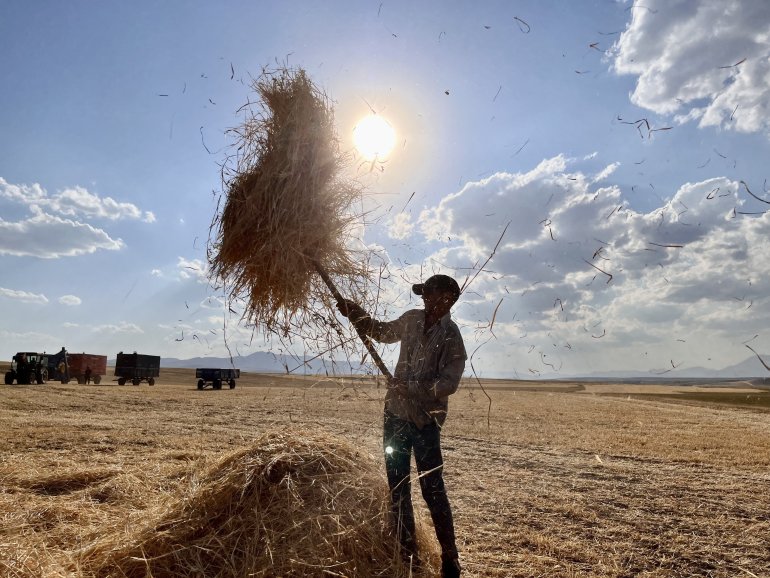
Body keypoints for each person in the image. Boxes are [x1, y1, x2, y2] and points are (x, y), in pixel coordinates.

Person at [337, 274, 466, 578]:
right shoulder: (410, 320)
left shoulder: (452, 335)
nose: (425, 299)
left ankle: (451, 558)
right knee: (397, 489)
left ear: (448, 299)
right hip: (394, 415)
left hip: (425, 422)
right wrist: (356, 313)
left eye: (431, 294)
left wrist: (413, 388)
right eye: (424, 294)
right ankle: (408, 557)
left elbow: (450, 382)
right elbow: (381, 332)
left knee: (433, 489)